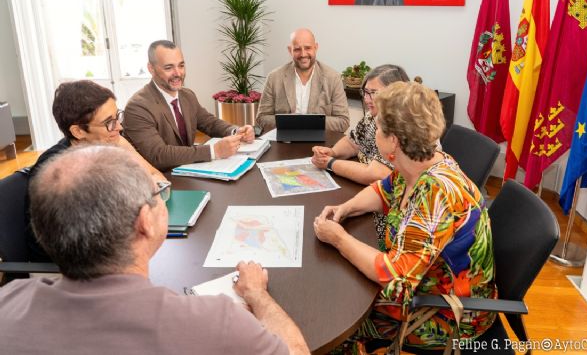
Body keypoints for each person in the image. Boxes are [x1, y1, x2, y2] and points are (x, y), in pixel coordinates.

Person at [0, 145, 310, 355]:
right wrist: (257, 293)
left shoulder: (7, 304)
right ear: (145, 222)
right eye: (156, 193)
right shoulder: (216, 322)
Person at [313, 82, 496, 352]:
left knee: (334, 325)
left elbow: (394, 274)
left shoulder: (437, 194)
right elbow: (384, 190)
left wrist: (339, 238)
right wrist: (346, 208)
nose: (374, 130)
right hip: (424, 287)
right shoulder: (421, 162)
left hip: (446, 313)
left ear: (394, 140)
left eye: (378, 125)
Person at [26, 80, 163, 262]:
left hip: (101, 251)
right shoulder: (62, 171)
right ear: (78, 131)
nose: (119, 127)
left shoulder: (107, 144)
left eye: (117, 117)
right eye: (109, 122)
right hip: (66, 267)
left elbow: (158, 180)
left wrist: (120, 144)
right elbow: (85, 239)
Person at [124, 40, 254, 171]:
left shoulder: (187, 95)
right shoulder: (137, 107)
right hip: (161, 180)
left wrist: (236, 131)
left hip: (189, 172)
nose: (178, 73)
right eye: (169, 68)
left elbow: (209, 122)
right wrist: (214, 151)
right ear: (151, 69)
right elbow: (158, 155)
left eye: (181, 66)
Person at [310, 64, 410, 184]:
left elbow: (375, 174)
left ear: (395, 94)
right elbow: (352, 143)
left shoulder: (404, 125)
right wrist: (333, 153)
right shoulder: (372, 116)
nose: (367, 100)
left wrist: (330, 163)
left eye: (374, 93)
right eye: (366, 92)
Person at [256, 28, 349, 133]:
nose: (303, 54)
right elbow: (261, 118)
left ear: (316, 47)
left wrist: (307, 122)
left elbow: (343, 121)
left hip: (322, 145)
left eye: (308, 48)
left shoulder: (333, 78)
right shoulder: (274, 77)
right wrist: (291, 123)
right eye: (297, 49)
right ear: (289, 50)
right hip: (283, 143)